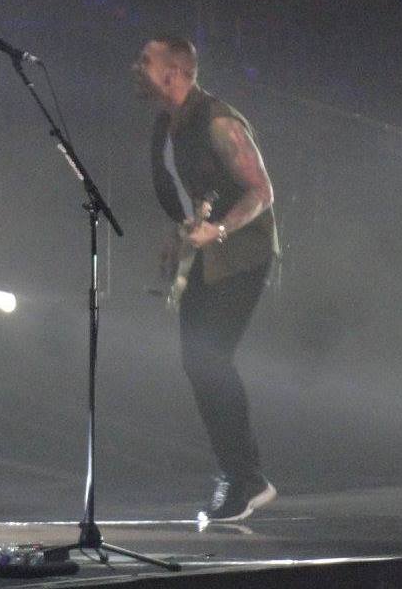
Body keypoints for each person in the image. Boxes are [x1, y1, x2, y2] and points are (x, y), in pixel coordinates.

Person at [132, 36, 280, 522]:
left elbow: (261, 191)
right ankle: (239, 473)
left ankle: (246, 477)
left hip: (241, 256)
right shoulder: (166, 124)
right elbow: (187, 190)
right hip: (204, 255)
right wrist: (177, 233)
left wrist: (218, 229)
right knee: (197, 363)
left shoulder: (218, 121)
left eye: (146, 62)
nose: (137, 68)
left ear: (174, 73)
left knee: (208, 359)